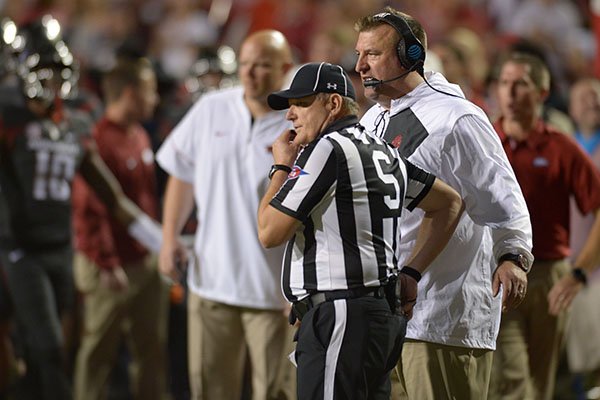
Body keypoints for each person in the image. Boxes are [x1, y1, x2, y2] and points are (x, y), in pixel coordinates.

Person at [354, 8, 534, 399]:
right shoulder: (371, 122)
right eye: (359, 54)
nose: (360, 66)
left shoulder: (458, 118)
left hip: (442, 315)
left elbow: (504, 198)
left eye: (372, 54)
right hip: (385, 316)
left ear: (411, 55)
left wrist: (512, 256)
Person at [257, 61, 464, 400]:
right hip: (377, 315)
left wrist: (282, 166)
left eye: (301, 103)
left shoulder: (328, 148)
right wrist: (412, 270)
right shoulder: (383, 149)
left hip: (341, 313)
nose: (290, 115)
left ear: (333, 103)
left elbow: (269, 232)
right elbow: (449, 203)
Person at [0, 16, 162, 400]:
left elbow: (111, 196)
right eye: (46, 73)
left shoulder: (75, 122)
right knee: (48, 346)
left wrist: (160, 241)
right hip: (20, 248)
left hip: (62, 247)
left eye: (60, 73)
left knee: (56, 349)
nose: (54, 83)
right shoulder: (9, 117)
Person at [157, 30, 295, 400]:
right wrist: (169, 238)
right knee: (210, 389)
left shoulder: (298, 122)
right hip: (211, 282)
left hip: (273, 292)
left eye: (263, 64)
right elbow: (182, 174)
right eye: (246, 63)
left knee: (276, 392)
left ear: (285, 68)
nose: (251, 72)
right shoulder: (211, 107)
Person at [488, 52, 600, 400]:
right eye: (504, 83)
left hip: (549, 273)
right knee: (511, 378)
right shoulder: (486, 141)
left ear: (542, 92)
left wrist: (579, 272)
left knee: (540, 383)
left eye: (520, 84)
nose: (510, 92)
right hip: (498, 272)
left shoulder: (559, 147)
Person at [71, 57, 170, 400]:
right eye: (149, 91)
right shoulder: (97, 139)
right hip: (110, 265)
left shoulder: (140, 134)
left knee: (151, 349)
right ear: (130, 93)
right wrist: (107, 262)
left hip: (144, 260)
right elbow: (89, 210)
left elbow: (145, 202)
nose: (155, 99)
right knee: (99, 351)